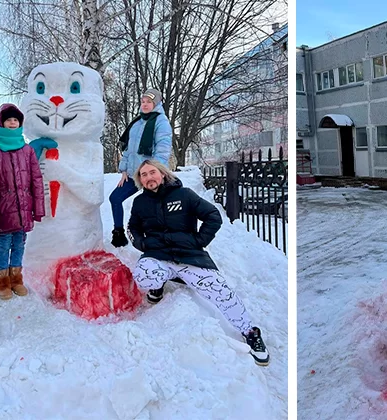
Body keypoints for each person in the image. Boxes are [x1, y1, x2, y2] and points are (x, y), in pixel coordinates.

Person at [127, 160, 270, 366]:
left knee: (221, 292)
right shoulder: (140, 202)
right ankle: (157, 288)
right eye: (143, 175)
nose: (149, 177)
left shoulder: (184, 195)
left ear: (162, 174)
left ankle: (250, 332)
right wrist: (143, 243)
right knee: (143, 275)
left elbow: (213, 216)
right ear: (140, 180)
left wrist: (199, 241)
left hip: (189, 256)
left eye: (152, 172)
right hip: (158, 255)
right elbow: (132, 228)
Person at [0, 104, 45, 299]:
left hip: (24, 208)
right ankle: (2, 282)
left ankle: (16, 279)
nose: (12, 122)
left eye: (16, 120)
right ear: (1, 122)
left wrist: (38, 208)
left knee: (19, 244)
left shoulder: (26, 150)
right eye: (8, 119)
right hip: (4, 210)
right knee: (4, 246)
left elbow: (36, 180)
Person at [111, 88, 173, 247]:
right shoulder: (137, 123)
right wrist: (124, 169)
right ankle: (119, 234)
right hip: (133, 175)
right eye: (143, 101)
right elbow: (128, 149)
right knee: (115, 198)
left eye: (149, 102)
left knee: (154, 208)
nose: (145, 105)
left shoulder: (161, 122)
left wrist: (153, 173)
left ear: (156, 103)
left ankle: (162, 239)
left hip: (151, 176)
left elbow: (163, 151)